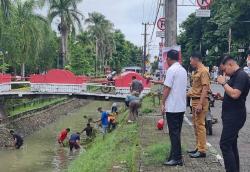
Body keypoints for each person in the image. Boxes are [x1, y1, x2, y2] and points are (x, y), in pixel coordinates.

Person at [217, 55, 250, 172]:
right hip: (231, 115)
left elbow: (235, 94)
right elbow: (232, 95)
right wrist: (222, 98)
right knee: (231, 144)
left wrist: (223, 83)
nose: (224, 73)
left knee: (224, 145)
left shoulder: (241, 75)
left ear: (230, 64)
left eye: (224, 69)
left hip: (235, 116)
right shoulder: (235, 76)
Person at [161, 50, 187, 166]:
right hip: (181, 107)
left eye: (166, 59)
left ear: (169, 59)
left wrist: (162, 102)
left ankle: (177, 158)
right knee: (176, 133)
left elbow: (167, 88)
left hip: (173, 107)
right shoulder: (183, 70)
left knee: (174, 133)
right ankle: (173, 155)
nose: (166, 61)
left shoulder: (171, 70)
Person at [187, 52, 210, 158]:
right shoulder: (196, 71)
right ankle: (198, 147)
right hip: (195, 100)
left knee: (200, 125)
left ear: (196, 60)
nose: (190, 62)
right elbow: (195, 88)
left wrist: (200, 104)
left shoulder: (204, 71)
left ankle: (202, 150)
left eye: (191, 60)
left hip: (200, 101)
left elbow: (205, 88)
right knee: (196, 126)